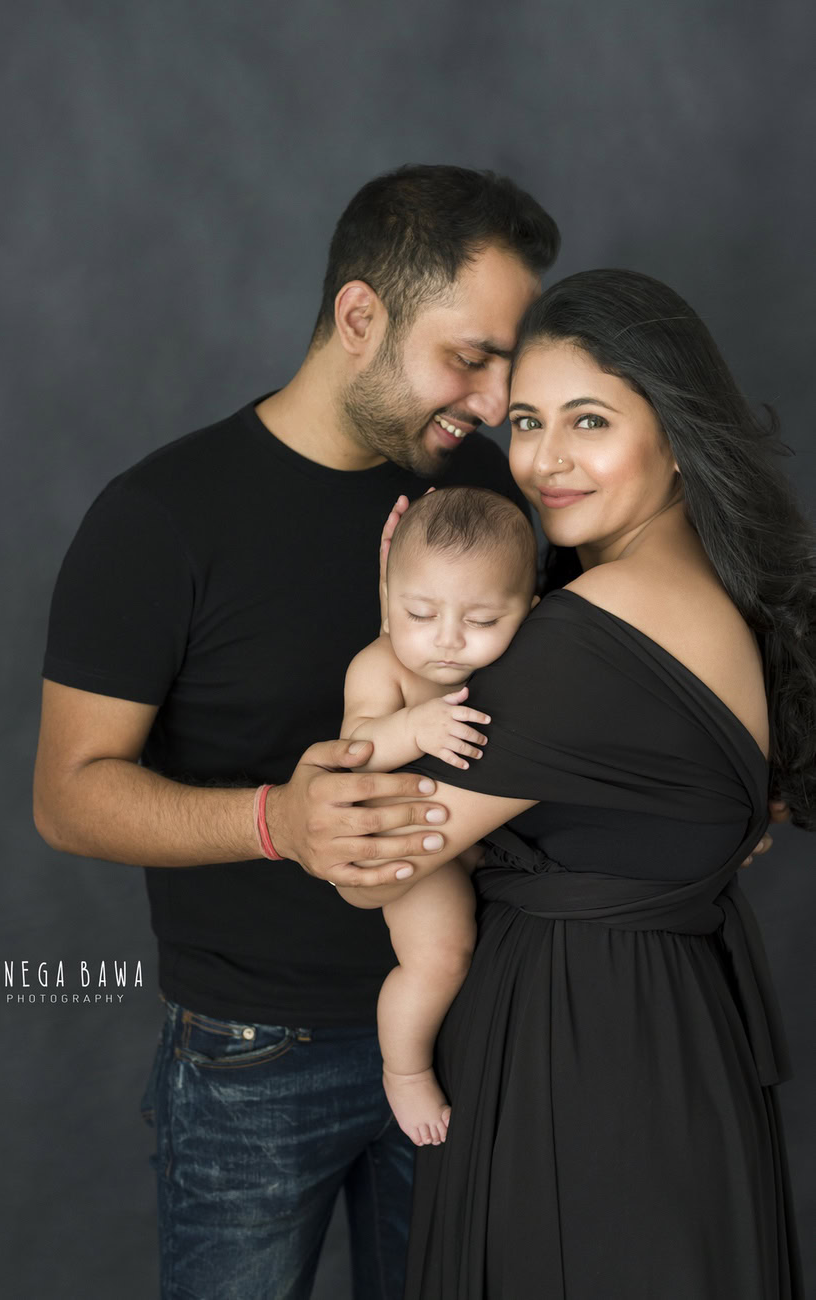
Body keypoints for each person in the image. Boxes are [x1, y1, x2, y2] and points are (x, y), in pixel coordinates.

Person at [32, 164, 561, 1299]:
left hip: (474, 1024)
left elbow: (611, 660)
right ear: (360, 316)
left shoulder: (491, 501)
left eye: (507, 363)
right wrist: (281, 821)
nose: (489, 398)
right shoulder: (160, 516)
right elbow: (68, 793)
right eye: (469, 355)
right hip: (251, 1060)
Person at [340, 268, 810, 1298]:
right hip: (669, 1046)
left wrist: (391, 643)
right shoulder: (701, 602)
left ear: (677, 433)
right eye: (524, 422)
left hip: (584, 1069)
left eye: (588, 420)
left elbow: (367, 866)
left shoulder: (588, 638)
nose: (544, 461)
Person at [341, 486, 537, 1146]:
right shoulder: (380, 665)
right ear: (388, 605)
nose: (447, 640)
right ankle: (404, 1069)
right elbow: (357, 750)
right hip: (408, 841)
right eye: (420, 612)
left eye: (483, 621)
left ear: (528, 614)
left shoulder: (520, 664)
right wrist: (413, 727)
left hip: (479, 838)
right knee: (440, 957)